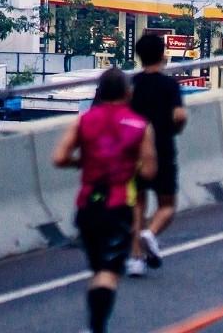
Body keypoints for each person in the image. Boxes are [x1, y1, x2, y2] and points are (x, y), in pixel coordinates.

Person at [53, 68, 156, 333]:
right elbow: (149, 171)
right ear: (128, 92)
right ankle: (96, 327)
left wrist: (82, 162)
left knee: (97, 268)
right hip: (118, 204)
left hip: (87, 205)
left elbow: (60, 158)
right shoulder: (139, 126)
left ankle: (94, 323)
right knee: (108, 272)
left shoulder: (83, 121)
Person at [127, 34, 187, 276]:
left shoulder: (131, 85)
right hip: (162, 148)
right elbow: (180, 116)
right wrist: (173, 129)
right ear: (163, 55)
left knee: (138, 204)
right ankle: (150, 234)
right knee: (167, 204)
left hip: (134, 152)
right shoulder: (169, 85)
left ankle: (135, 259)